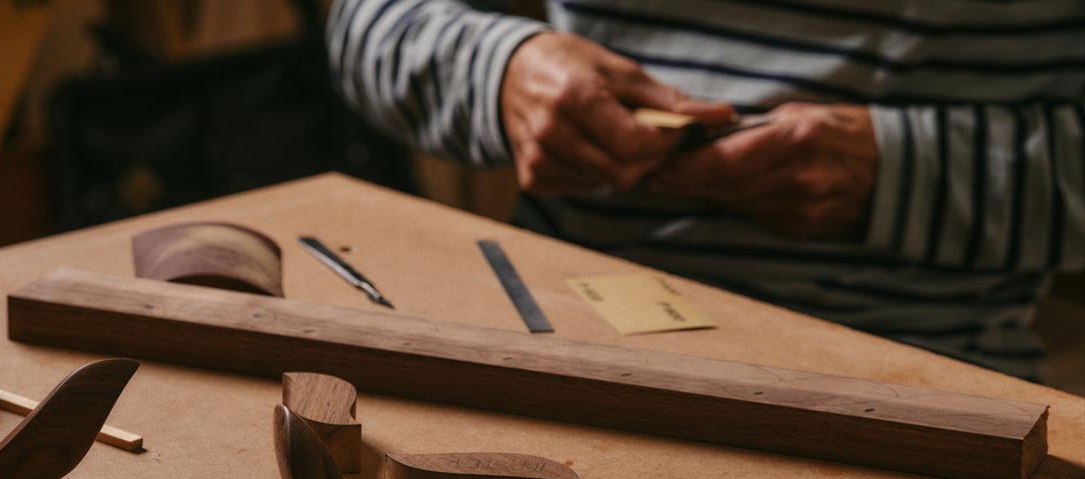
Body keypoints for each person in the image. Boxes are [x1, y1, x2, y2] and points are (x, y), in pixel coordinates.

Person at [326, 0, 1084, 380]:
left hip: (918, 380)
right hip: (562, 348)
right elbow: (367, 20)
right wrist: (500, 72)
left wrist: (906, 172)